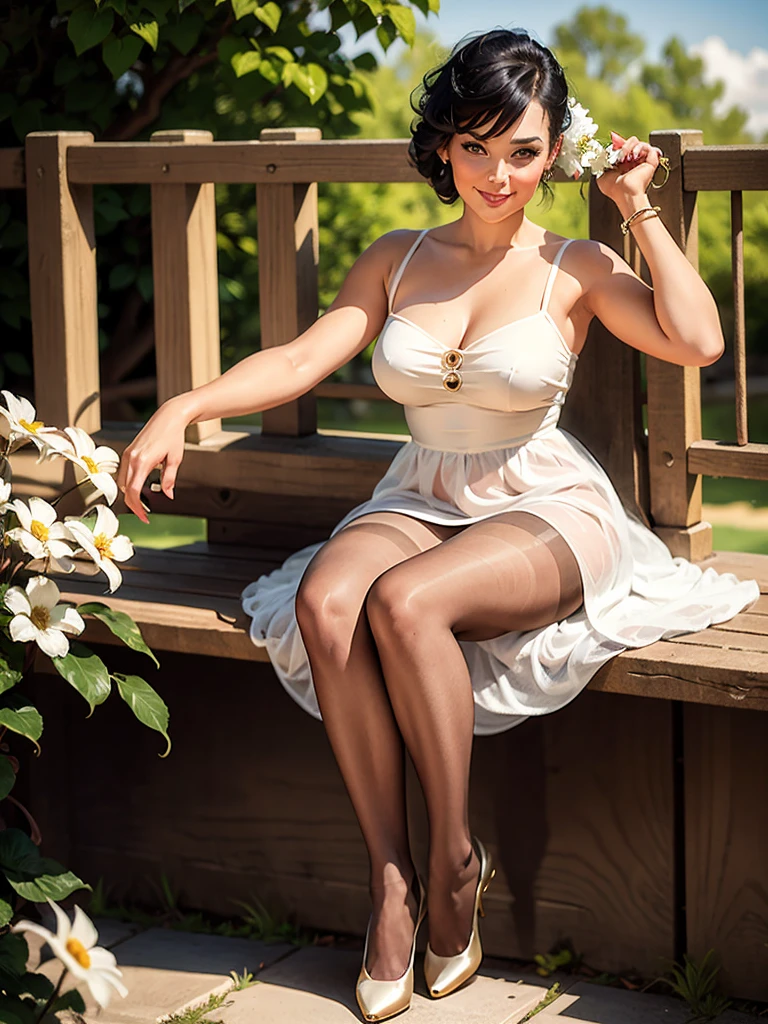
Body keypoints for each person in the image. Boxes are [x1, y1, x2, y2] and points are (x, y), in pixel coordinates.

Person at [117, 28, 760, 1023]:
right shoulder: (398, 255)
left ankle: (455, 860)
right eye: (474, 145)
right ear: (442, 146)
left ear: (553, 154)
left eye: (523, 151)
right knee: (333, 599)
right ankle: (389, 876)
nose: (497, 174)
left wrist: (638, 210)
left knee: (405, 603)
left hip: (545, 504)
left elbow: (699, 339)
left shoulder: (576, 264)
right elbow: (298, 358)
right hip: (422, 491)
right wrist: (181, 408)